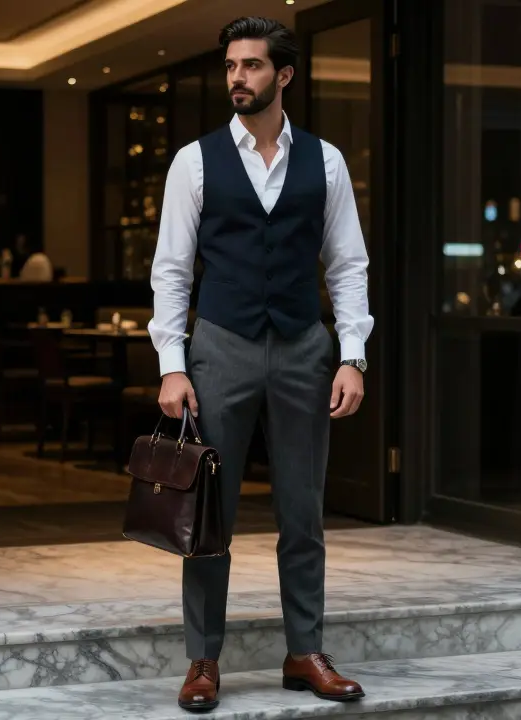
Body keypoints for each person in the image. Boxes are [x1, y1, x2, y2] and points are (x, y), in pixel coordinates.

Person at [147, 16, 372, 713]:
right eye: (231, 67)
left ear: (285, 76)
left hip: (306, 348)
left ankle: (304, 651)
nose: (237, 77)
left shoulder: (326, 161)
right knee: (207, 516)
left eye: (251, 66)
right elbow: (172, 270)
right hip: (221, 346)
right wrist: (171, 363)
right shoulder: (195, 159)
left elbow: (347, 263)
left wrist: (352, 353)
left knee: (302, 511)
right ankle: (202, 660)